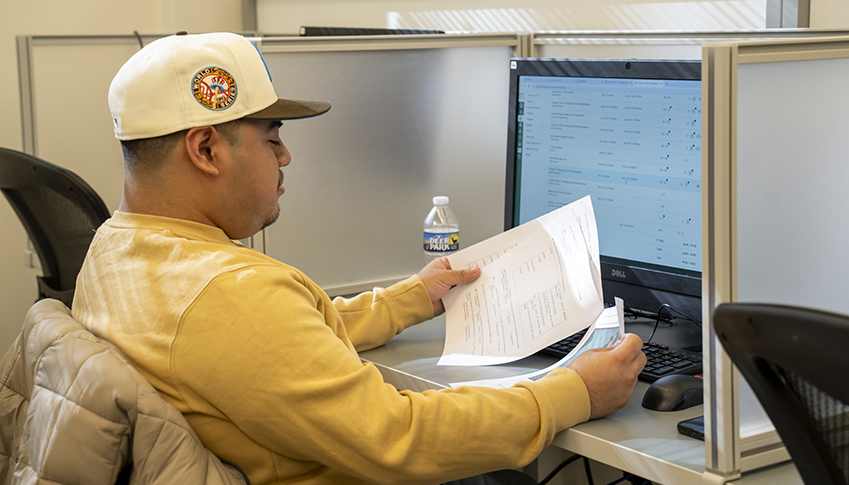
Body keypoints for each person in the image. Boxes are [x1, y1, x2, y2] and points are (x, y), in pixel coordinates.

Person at [72, 32, 646, 485]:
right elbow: (402, 440)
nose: (287, 156)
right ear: (205, 149)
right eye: (272, 138)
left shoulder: (117, 247)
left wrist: (408, 299)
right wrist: (576, 391)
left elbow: (263, 345)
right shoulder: (227, 290)